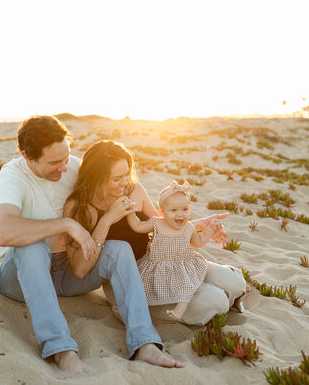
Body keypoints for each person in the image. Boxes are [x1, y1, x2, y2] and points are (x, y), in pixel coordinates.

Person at [0, 115, 183, 375]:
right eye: (54, 162)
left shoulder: (72, 167)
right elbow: (3, 231)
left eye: (66, 157)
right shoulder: (13, 176)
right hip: (20, 277)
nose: (64, 167)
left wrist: (176, 211)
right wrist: (66, 225)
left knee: (119, 249)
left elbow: (120, 183)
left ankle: (144, 342)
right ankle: (61, 350)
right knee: (32, 247)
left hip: (70, 271)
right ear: (27, 156)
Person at [65, 140, 246, 327]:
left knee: (234, 283)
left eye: (127, 175)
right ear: (97, 178)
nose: (125, 183)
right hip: (130, 283)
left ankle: (225, 294)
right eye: (117, 179)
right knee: (217, 301)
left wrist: (203, 225)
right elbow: (80, 269)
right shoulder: (80, 207)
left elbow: (165, 227)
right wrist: (108, 219)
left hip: (164, 263)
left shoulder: (133, 189)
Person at [126, 180, 226, 322]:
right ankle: (129, 308)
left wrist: (210, 228)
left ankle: (181, 307)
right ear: (162, 212)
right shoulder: (156, 223)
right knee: (141, 288)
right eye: (173, 210)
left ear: (189, 210)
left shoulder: (189, 227)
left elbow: (198, 242)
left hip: (181, 266)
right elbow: (137, 226)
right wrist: (131, 213)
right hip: (156, 267)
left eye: (184, 209)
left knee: (186, 285)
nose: (180, 214)